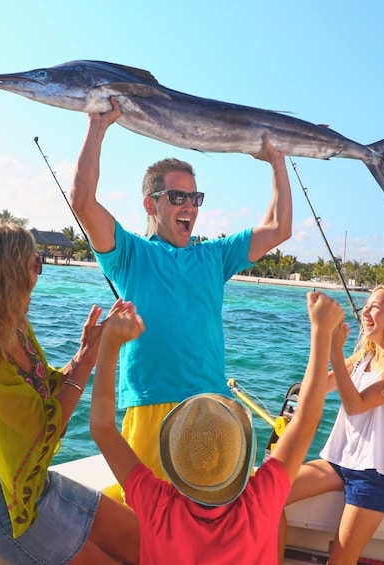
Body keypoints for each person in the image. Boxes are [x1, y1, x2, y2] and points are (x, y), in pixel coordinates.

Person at [70, 96, 293, 479]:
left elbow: (279, 228)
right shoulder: (130, 254)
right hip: (151, 407)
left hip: (213, 408)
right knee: (150, 524)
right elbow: (83, 202)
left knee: (213, 520)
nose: (189, 206)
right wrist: (97, 126)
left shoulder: (215, 255)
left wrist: (277, 161)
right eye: (178, 197)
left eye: (195, 198)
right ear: (150, 204)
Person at [0, 220, 139, 564]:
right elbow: (40, 429)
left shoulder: (14, 328)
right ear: (6, 275)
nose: (39, 274)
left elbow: (45, 392)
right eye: (35, 263)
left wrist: (86, 352)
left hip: (32, 485)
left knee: (146, 542)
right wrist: (90, 359)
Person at [90, 292, 345, 564]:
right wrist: (321, 333)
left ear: (174, 464)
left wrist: (109, 344)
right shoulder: (259, 502)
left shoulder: (157, 505)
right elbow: (306, 420)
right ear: (242, 455)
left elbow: (102, 428)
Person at [287, 285, 384, 564]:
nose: (365, 311)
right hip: (339, 463)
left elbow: (356, 405)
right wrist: (320, 340)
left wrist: (334, 354)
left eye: (376, 306)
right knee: (266, 500)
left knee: (341, 558)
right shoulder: (363, 358)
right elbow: (314, 388)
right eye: (366, 305)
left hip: (375, 477)